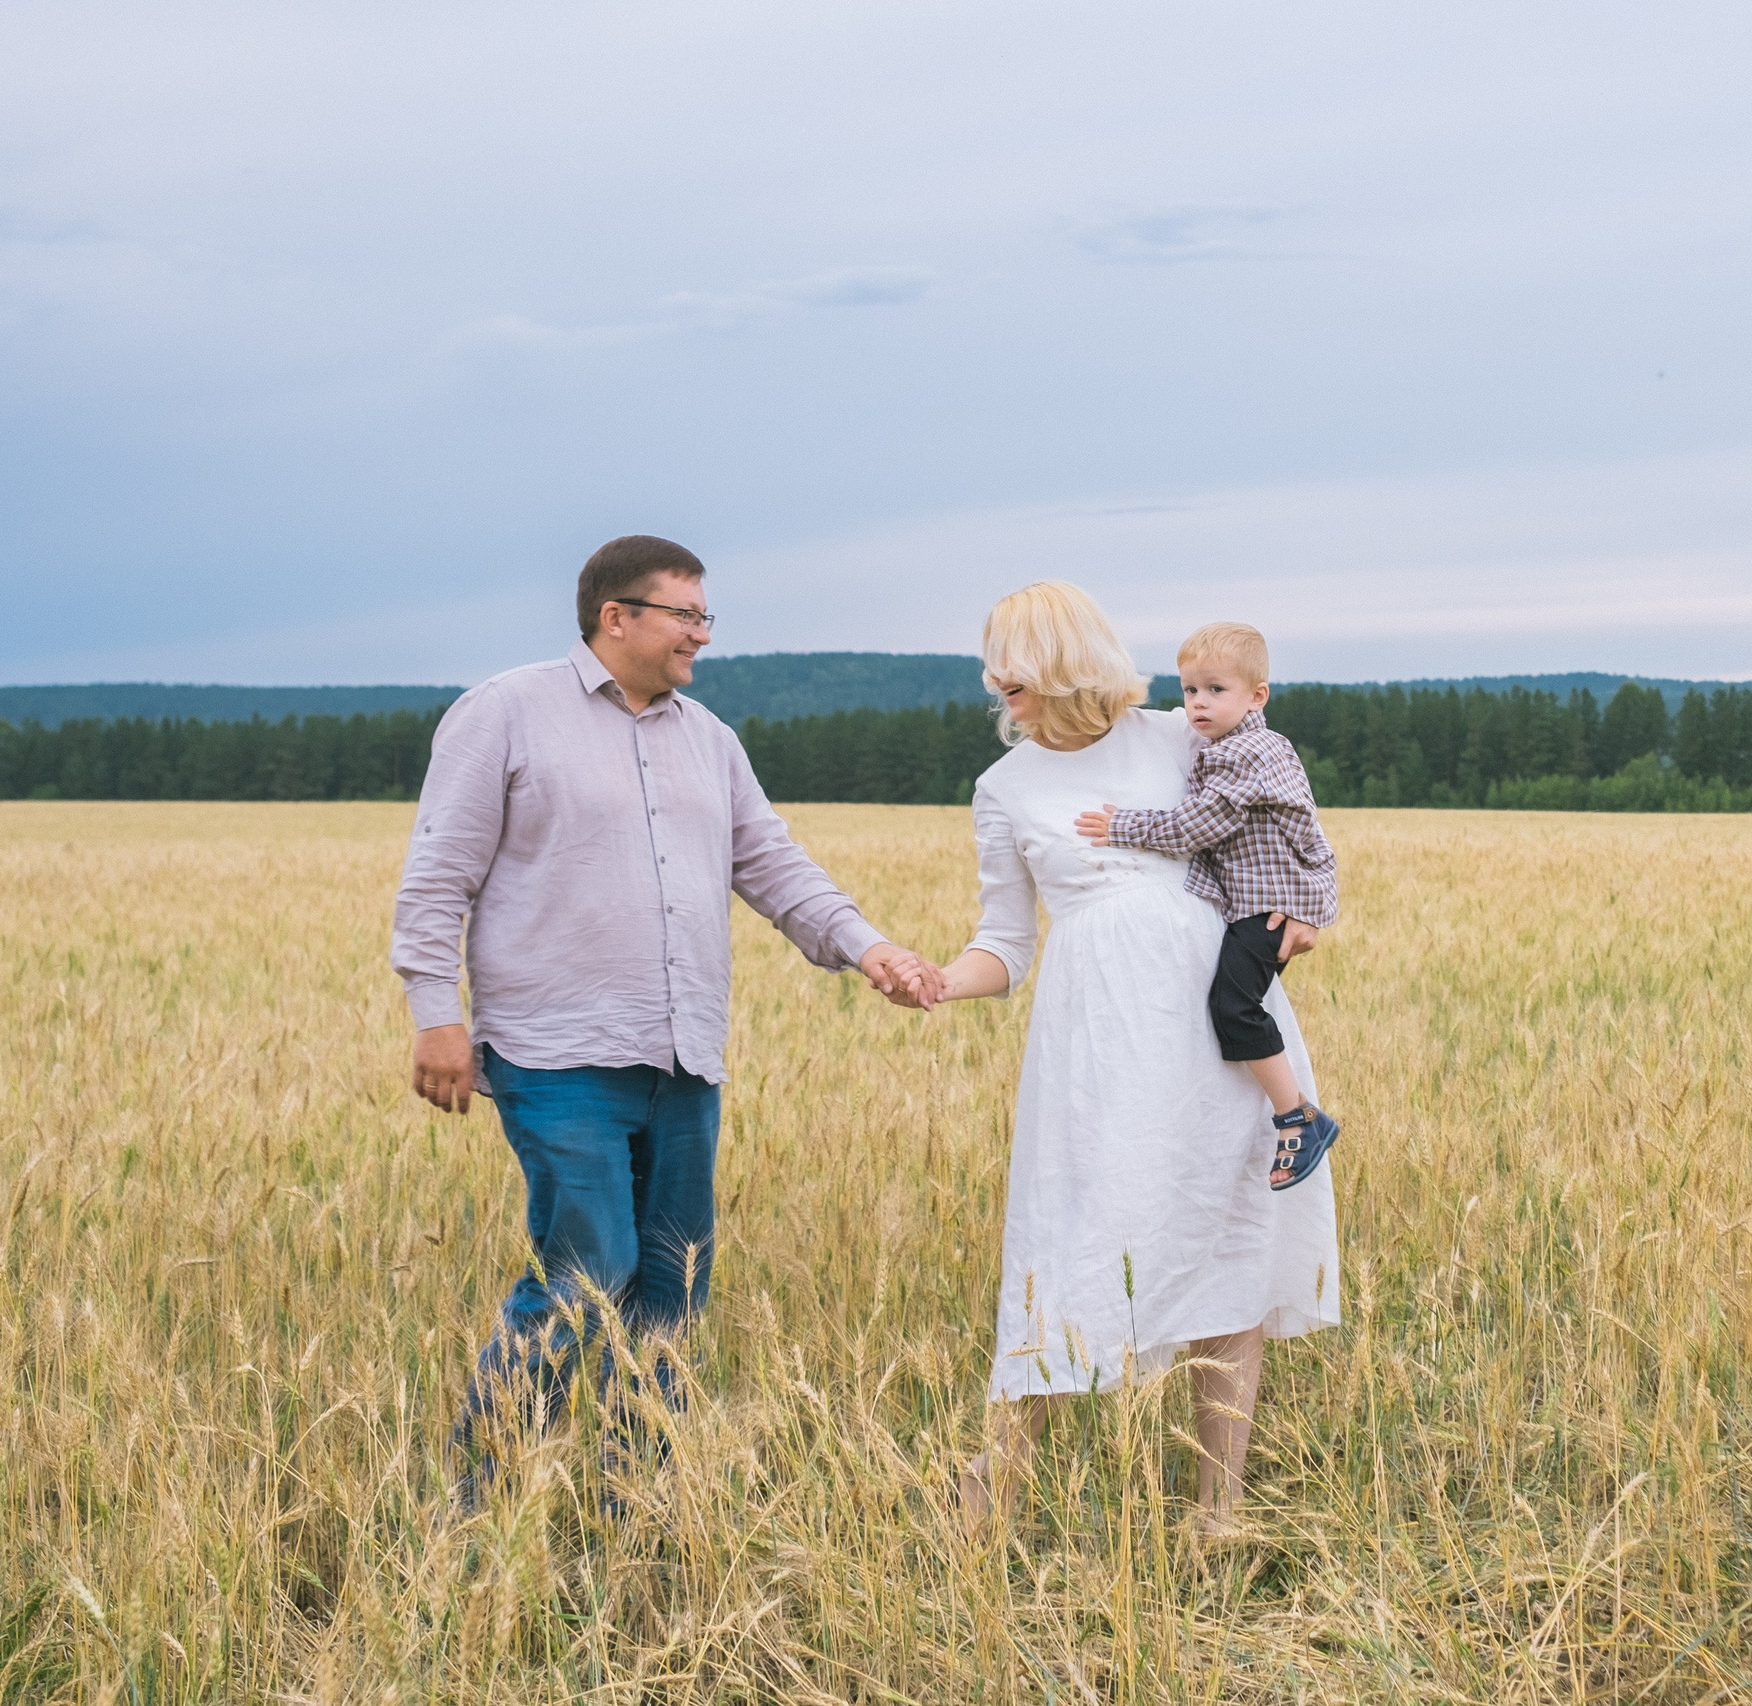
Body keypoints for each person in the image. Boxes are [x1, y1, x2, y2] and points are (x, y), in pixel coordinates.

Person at [392, 534, 941, 1494]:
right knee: (587, 1272)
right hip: (555, 1055)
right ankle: (480, 1493)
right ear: (617, 617)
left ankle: (640, 1498)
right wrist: (436, 1014)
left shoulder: (708, 739)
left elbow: (771, 865)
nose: (702, 634)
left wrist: (868, 947)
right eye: (685, 614)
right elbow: (439, 876)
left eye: (704, 615)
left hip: (684, 1056)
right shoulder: (507, 714)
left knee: (673, 1286)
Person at [902, 582, 1341, 1535]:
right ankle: (996, 1484)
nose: (995, 689)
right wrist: (943, 980)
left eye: (1011, 671)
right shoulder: (1004, 789)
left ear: (1062, 663)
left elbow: (1285, 819)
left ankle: (1214, 1513)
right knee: (1076, 1244)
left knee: (1229, 1238)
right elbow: (1006, 944)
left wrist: (1304, 913)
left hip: (1214, 1018)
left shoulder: (1179, 734)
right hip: (1097, 1037)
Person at [1074, 621, 1342, 1189]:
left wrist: (1124, 825)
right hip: (1266, 907)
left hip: (1264, 912)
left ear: (1257, 696)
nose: (1198, 703)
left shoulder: (1240, 755)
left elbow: (1199, 826)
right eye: (1190, 690)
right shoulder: (1260, 746)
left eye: (1215, 690)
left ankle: (1299, 1118)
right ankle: (1294, 1114)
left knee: (1234, 1009)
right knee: (1232, 1006)